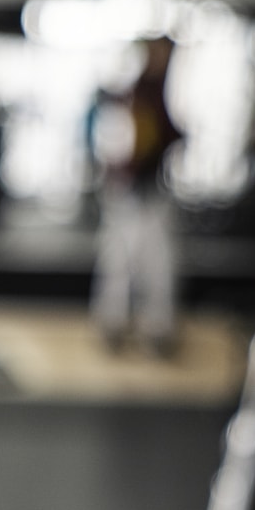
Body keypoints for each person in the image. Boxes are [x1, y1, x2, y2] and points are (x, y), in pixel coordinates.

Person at [92, 34, 184, 355]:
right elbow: (129, 144)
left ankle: (155, 328)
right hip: (131, 190)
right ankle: (114, 323)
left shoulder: (161, 90)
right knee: (122, 258)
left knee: (156, 261)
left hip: (150, 188)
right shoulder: (138, 92)